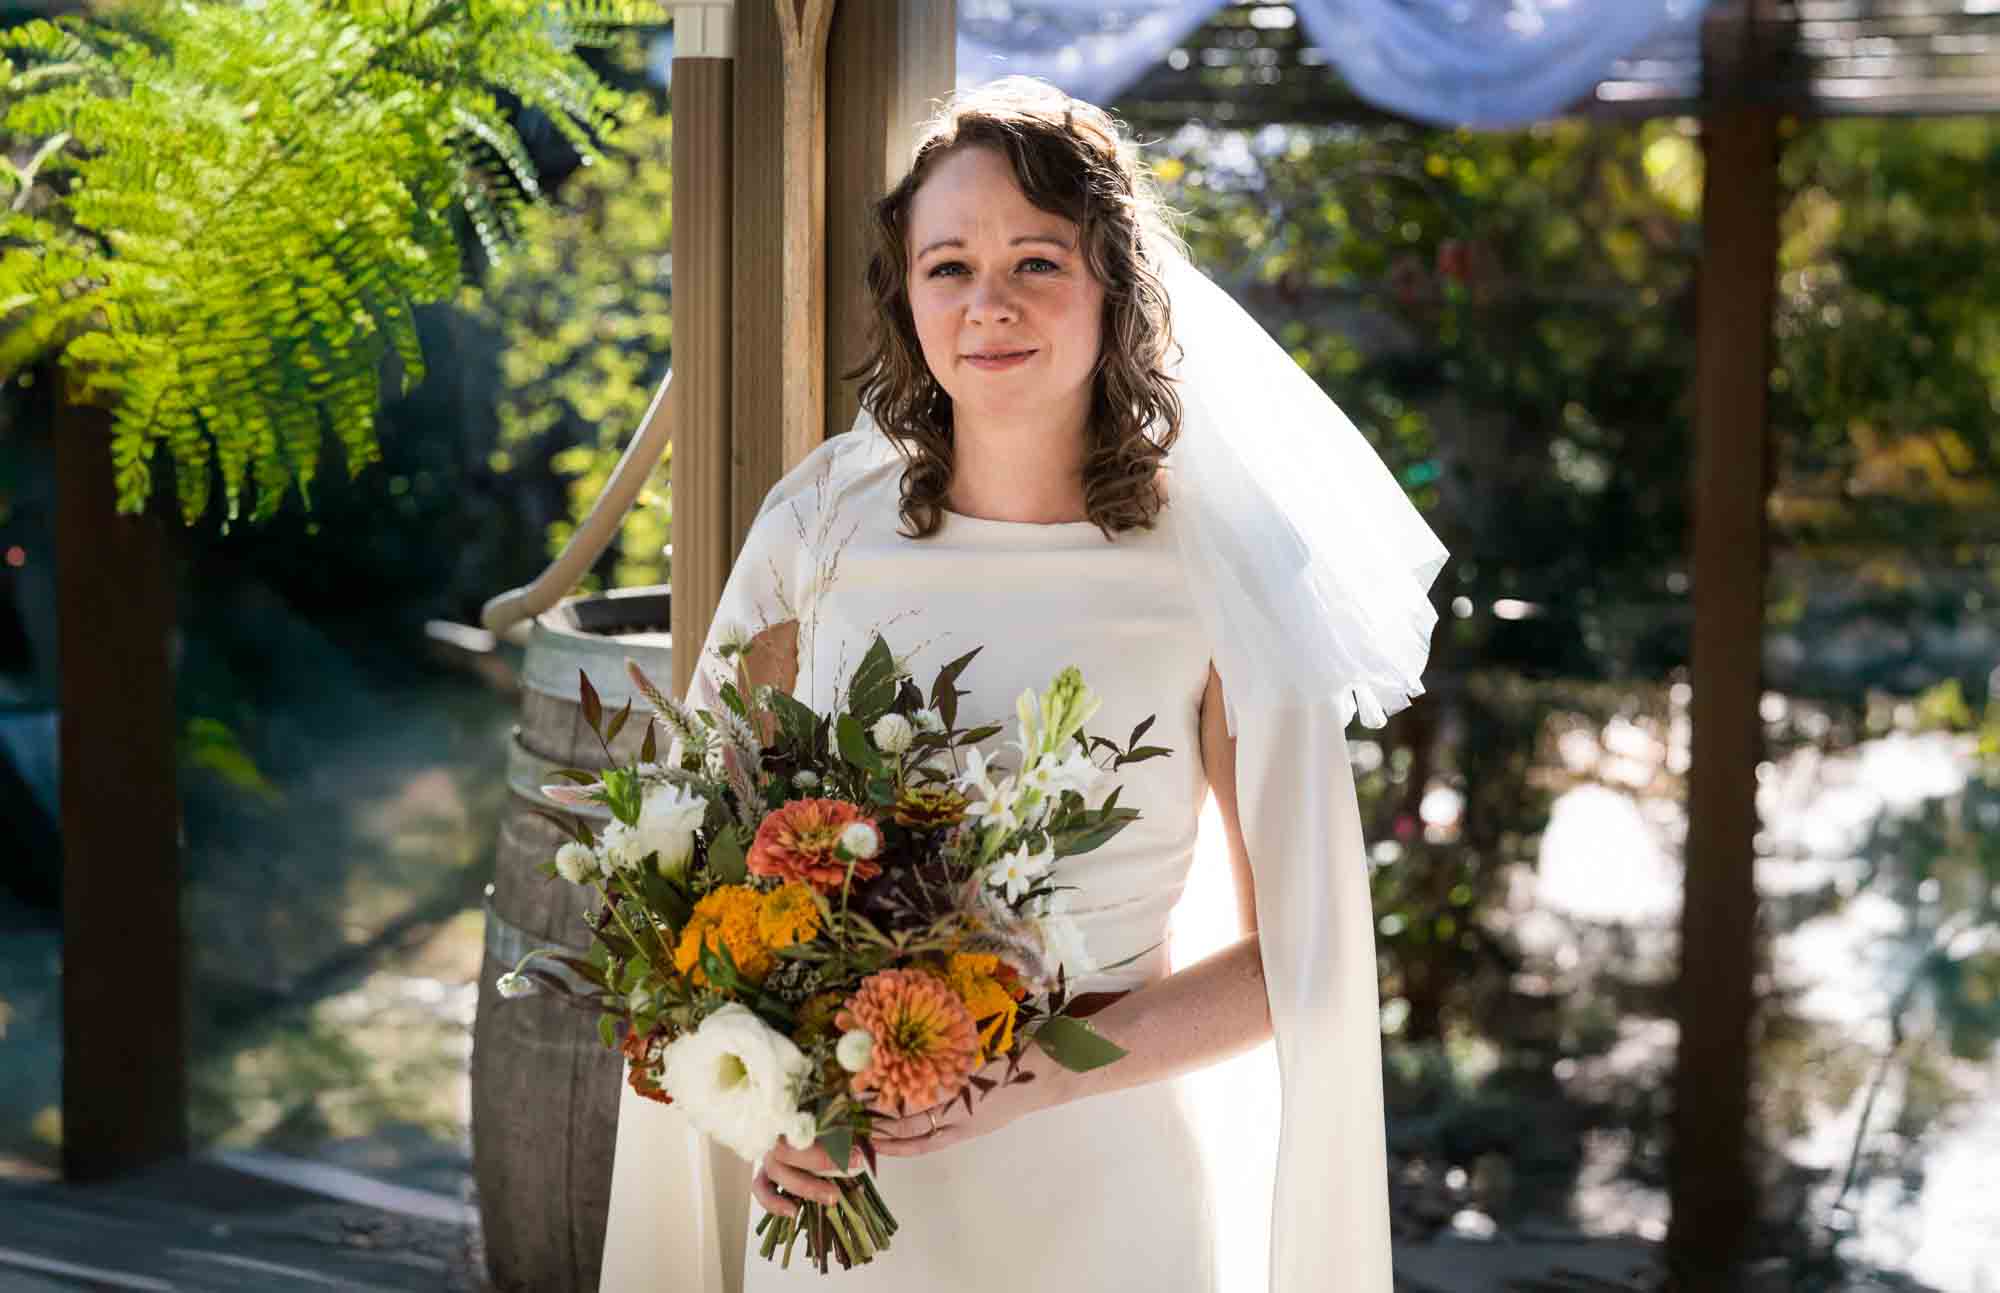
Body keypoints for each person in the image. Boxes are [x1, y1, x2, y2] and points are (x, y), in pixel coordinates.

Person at [599, 77, 1446, 1293]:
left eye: (1036, 262)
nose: (987, 305)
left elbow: (1293, 959)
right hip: (846, 1180)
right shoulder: (820, 522)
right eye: (947, 266)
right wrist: (764, 1104)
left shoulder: (1218, 566)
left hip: (1102, 1181)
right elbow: (692, 866)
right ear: (907, 298)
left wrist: (1030, 1077)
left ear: (1115, 289)